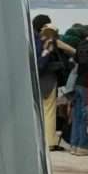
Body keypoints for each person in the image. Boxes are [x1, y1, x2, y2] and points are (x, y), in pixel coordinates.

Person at [35, 21, 71, 150]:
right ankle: (50, 142)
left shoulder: (32, 39)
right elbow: (42, 62)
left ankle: (40, 139)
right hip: (47, 79)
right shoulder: (47, 42)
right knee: (49, 111)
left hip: (36, 79)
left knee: (39, 111)